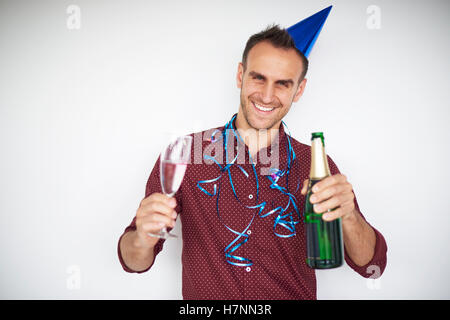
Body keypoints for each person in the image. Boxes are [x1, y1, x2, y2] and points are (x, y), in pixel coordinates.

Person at [118, 24, 387, 300]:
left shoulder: (315, 163)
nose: (267, 96)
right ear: (240, 75)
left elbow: (371, 267)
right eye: (259, 78)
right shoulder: (185, 154)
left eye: (283, 83)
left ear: (299, 89)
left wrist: (349, 215)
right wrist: (142, 237)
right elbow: (132, 262)